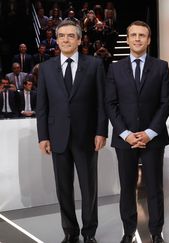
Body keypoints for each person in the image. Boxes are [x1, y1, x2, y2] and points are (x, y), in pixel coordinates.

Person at [36, 20, 108, 243]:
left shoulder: (95, 65)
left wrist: (101, 132)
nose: (65, 40)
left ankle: (89, 234)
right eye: (61, 36)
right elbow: (42, 106)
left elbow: (101, 103)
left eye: (70, 36)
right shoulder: (46, 68)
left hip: (87, 137)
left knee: (89, 189)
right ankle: (70, 232)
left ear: (79, 39)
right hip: (57, 137)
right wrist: (43, 136)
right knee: (63, 188)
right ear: (57, 40)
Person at [105, 20, 169, 243]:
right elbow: (110, 104)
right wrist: (126, 133)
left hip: (153, 139)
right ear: (127, 39)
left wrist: (150, 132)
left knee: (155, 188)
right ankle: (128, 231)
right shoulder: (115, 68)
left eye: (142, 35)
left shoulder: (161, 67)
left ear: (149, 40)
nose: (137, 39)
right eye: (133, 35)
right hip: (125, 139)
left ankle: (156, 232)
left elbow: (165, 103)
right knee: (127, 187)